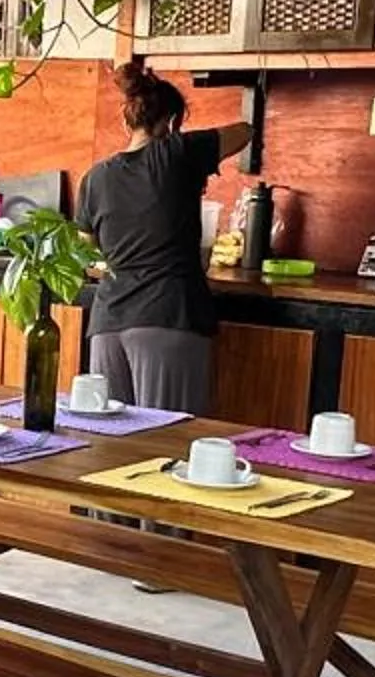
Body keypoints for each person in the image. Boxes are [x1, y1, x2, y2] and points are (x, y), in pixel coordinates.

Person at [74, 59, 256, 412]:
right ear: (171, 122)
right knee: (168, 440)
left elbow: (86, 248)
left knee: (109, 445)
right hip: (168, 315)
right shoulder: (178, 153)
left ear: (128, 119)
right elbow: (246, 131)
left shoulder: (95, 178)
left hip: (107, 323)